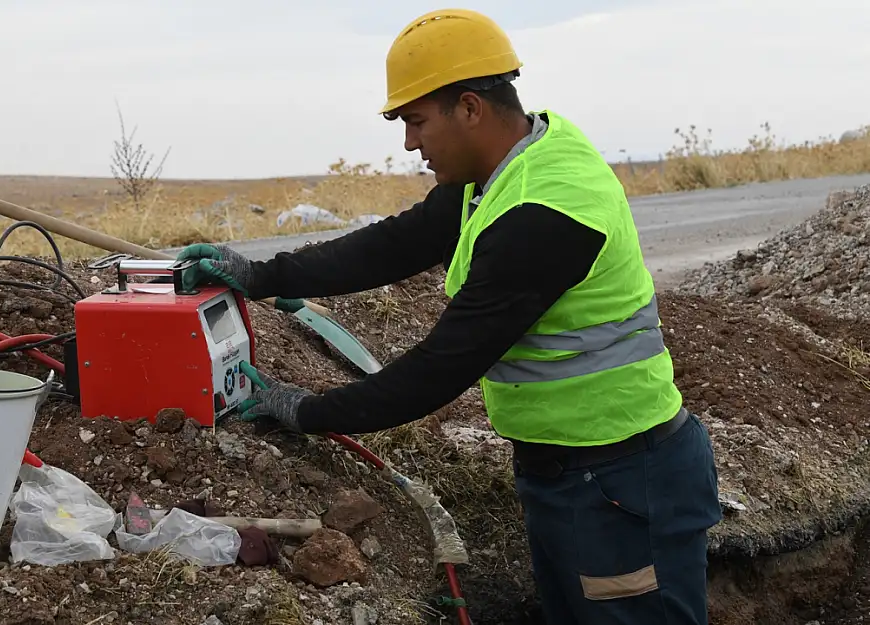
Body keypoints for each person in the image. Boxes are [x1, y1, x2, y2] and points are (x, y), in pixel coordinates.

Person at [177, 8, 722, 625]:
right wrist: (260, 276)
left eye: (415, 120)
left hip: (622, 482)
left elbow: (442, 367)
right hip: (567, 474)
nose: (410, 143)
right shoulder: (497, 173)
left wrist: (309, 411)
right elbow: (393, 245)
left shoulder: (545, 212)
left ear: (469, 108)